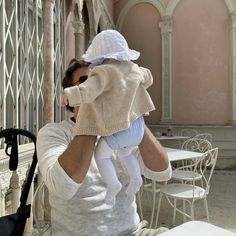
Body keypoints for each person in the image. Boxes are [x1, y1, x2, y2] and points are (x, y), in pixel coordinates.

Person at [37, 59, 172, 235]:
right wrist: (92, 112)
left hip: (132, 232)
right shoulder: (54, 133)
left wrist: (133, 111)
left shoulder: (123, 132)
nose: (101, 87)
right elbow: (63, 187)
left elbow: (162, 172)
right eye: (87, 80)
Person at [60, 29, 155, 205]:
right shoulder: (134, 69)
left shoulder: (103, 72)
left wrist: (69, 94)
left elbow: (88, 89)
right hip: (138, 127)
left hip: (120, 129)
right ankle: (136, 178)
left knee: (101, 156)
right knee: (125, 153)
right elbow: (148, 78)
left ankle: (113, 184)